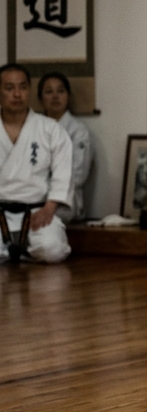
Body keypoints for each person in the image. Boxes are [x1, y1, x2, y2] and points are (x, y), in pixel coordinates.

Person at [0, 64, 73, 263]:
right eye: (9, 88)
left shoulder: (50, 129)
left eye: (23, 87)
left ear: (30, 91)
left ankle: (13, 250)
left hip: (36, 211)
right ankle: (15, 249)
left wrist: (49, 208)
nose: (17, 94)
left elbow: (63, 174)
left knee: (53, 249)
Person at [39, 72, 92, 223]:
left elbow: (77, 175)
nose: (55, 96)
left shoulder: (78, 131)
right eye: (49, 92)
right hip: (34, 198)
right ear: (41, 99)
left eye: (60, 91)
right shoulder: (34, 129)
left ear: (68, 96)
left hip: (65, 202)